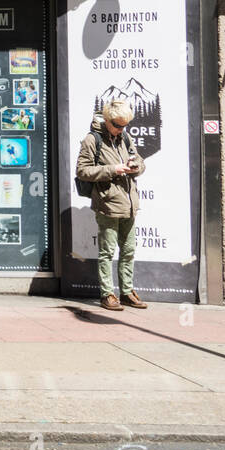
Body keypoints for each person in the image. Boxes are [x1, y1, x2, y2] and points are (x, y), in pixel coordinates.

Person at [76, 99, 147, 311]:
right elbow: (82, 171)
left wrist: (136, 167)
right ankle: (107, 293)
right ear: (107, 120)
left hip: (129, 204)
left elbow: (140, 162)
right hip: (107, 204)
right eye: (117, 125)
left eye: (124, 125)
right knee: (107, 252)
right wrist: (113, 169)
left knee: (128, 251)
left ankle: (126, 292)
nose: (121, 129)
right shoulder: (92, 139)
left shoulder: (125, 137)